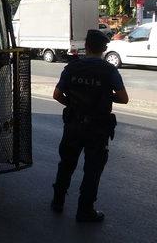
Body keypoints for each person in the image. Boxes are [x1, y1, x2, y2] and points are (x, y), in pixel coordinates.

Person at [51, 29, 129, 222]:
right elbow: (123, 98)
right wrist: (103, 96)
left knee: (66, 164)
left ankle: (58, 201)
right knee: (92, 170)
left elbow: (57, 95)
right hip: (97, 128)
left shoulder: (72, 68)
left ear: (86, 47)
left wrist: (75, 103)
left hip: (73, 125)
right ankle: (85, 210)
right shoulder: (109, 70)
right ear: (103, 49)